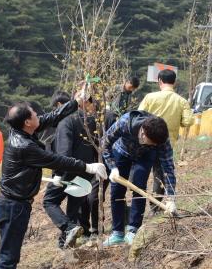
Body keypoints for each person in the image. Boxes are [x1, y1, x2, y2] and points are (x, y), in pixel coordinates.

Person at [0, 96, 108, 269]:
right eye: (34, 114)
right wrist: (88, 167)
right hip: (13, 206)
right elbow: (56, 160)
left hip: (15, 204)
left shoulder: (20, 130)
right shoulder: (24, 146)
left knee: (10, 253)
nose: (39, 116)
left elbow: (51, 117)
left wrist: (76, 102)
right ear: (27, 122)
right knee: (8, 256)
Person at [102, 111, 177, 247]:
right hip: (122, 151)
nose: (153, 145)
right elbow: (104, 143)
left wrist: (171, 198)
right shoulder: (125, 123)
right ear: (143, 133)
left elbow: (168, 167)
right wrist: (112, 167)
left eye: (155, 144)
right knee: (117, 191)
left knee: (139, 187)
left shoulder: (161, 139)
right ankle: (117, 232)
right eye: (151, 143)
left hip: (145, 156)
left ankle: (133, 230)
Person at [43, 94, 98, 249]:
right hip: (86, 170)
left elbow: (64, 152)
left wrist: (58, 174)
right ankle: (65, 243)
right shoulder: (91, 119)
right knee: (73, 208)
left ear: (60, 104)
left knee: (49, 201)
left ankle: (68, 229)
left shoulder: (65, 122)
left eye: (55, 109)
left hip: (68, 170)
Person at [138, 69, 194, 213]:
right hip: (165, 144)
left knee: (141, 173)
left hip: (146, 141)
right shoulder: (181, 101)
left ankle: (137, 207)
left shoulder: (150, 97)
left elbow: (138, 116)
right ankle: (155, 208)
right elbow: (188, 121)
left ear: (159, 81)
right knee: (160, 175)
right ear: (175, 82)